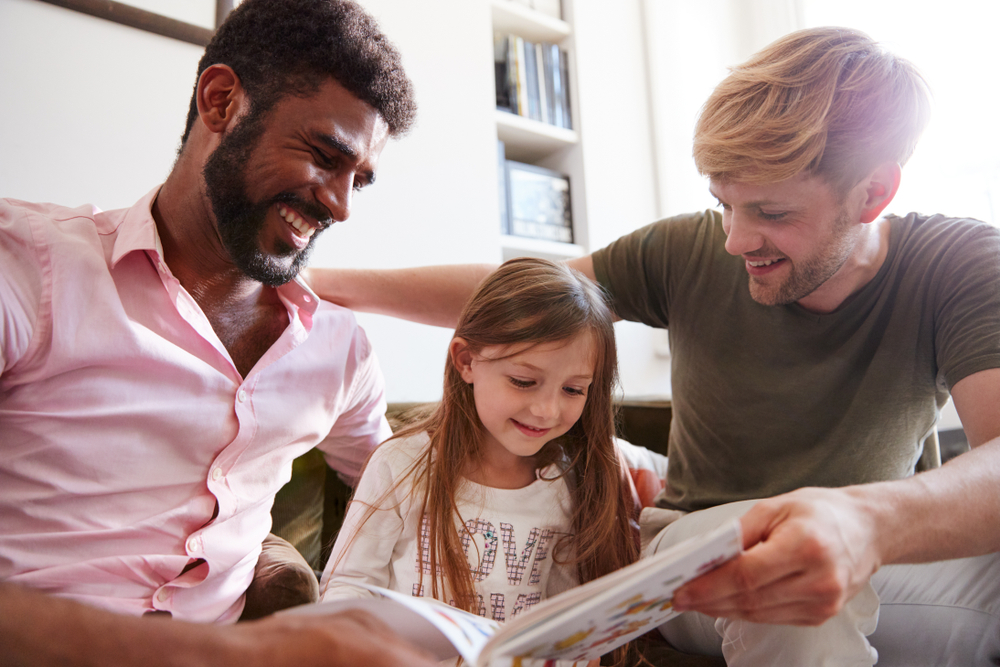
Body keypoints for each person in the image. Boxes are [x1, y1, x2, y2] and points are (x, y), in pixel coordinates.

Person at [304, 27, 1000, 665]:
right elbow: (521, 299)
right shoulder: (686, 250)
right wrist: (322, 283)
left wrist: (865, 520)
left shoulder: (959, 264)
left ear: (873, 191)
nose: (734, 239)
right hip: (698, 551)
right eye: (725, 203)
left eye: (772, 212)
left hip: (875, 549)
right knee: (778, 569)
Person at [0, 0, 437, 665]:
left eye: (360, 181)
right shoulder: (27, 269)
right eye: (325, 156)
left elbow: (411, 497)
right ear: (221, 101)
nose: (342, 206)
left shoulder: (336, 348)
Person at [320, 258, 639, 666]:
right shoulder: (402, 463)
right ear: (467, 361)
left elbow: (564, 620)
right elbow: (349, 584)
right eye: (524, 381)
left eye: (574, 389)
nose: (546, 410)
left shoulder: (568, 482)